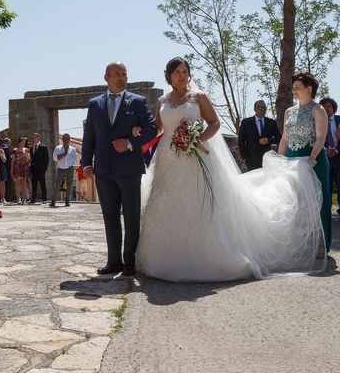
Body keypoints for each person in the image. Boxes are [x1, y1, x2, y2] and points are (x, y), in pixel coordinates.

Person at [136, 59, 326, 282]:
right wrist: (141, 132)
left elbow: (214, 123)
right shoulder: (162, 100)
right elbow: (159, 128)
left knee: (200, 202)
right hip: (169, 157)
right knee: (166, 203)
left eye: (185, 71)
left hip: (197, 156)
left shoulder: (199, 97)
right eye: (177, 72)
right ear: (168, 75)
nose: (182, 75)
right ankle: (164, 258)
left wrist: (197, 140)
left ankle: (210, 256)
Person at [81, 62, 157, 276]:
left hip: (130, 169)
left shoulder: (138, 102)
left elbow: (152, 129)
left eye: (124, 74)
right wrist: (86, 162)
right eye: (117, 74)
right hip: (104, 170)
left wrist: (131, 143)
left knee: (131, 216)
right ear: (106, 77)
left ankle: (129, 262)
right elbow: (90, 136)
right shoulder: (94, 104)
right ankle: (113, 261)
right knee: (110, 216)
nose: (121, 77)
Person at [280, 73, 331, 253]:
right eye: (293, 87)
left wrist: (310, 160)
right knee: (296, 201)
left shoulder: (317, 109)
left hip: (313, 160)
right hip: (292, 160)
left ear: (309, 89)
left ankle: (320, 244)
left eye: (297, 87)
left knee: (317, 200)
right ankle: (299, 245)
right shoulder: (289, 112)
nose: (294, 91)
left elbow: (320, 137)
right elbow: (285, 139)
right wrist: (279, 160)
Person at [237, 100, 281, 171]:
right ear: (255, 109)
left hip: (267, 159)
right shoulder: (246, 122)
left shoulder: (272, 123)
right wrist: (245, 157)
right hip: (251, 159)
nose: (262, 109)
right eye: (259, 107)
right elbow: (241, 141)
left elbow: (279, 138)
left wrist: (268, 140)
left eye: (264, 108)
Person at [319, 97, 340, 216]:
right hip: (324, 158)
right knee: (326, 186)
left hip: (338, 157)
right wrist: (326, 150)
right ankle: (326, 211)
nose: (326, 108)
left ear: (333, 108)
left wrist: (336, 150)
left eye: (328, 106)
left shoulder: (339, 120)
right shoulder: (317, 122)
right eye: (323, 107)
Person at [50, 133, 77, 207]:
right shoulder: (58, 148)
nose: (67, 141)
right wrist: (63, 155)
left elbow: (75, 159)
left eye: (68, 139)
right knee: (57, 185)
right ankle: (53, 201)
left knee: (69, 185)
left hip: (70, 168)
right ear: (62, 140)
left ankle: (67, 201)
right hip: (61, 169)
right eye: (65, 139)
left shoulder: (72, 149)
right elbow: (54, 158)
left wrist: (70, 163)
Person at [29, 132, 49, 204]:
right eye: (33, 138)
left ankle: (44, 199)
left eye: (35, 137)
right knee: (34, 184)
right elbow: (31, 158)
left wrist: (44, 168)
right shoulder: (31, 147)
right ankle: (33, 200)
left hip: (41, 169)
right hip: (33, 169)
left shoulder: (43, 147)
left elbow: (46, 159)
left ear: (38, 138)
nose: (34, 139)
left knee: (42, 183)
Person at [10, 137, 30, 205]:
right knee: (17, 183)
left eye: (24, 142)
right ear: (19, 142)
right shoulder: (15, 150)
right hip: (17, 167)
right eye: (22, 142)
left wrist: (26, 155)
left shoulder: (26, 150)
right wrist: (11, 170)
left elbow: (28, 160)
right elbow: (12, 161)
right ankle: (18, 198)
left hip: (24, 167)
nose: (23, 143)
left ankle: (24, 198)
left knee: (24, 183)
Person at [0, 137, 11, 204]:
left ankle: (3, 198)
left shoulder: (2, 150)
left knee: (2, 183)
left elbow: (5, 160)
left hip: (1, 167)